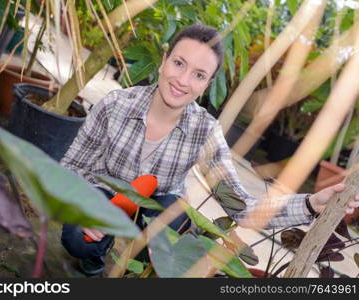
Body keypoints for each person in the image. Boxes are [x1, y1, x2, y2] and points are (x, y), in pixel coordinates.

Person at [60, 24, 359, 276]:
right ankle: (93, 257)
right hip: (105, 195)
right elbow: (71, 167)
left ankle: (141, 271)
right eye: (179, 64)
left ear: (207, 84)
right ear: (164, 60)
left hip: (157, 207)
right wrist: (85, 208)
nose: (183, 81)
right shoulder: (115, 105)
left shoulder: (205, 130)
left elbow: (242, 207)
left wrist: (310, 204)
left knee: (174, 219)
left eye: (199, 75)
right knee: (78, 237)